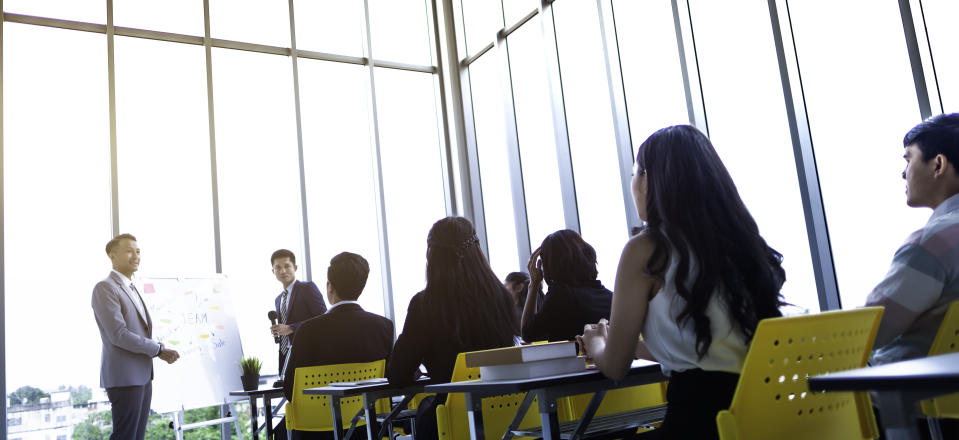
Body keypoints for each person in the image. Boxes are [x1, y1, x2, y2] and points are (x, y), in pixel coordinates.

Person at [579, 125, 786, 440]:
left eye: (635, 173)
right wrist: (631, 344)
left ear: (649, 181)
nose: (633, 183)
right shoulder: (743, 245)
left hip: (697, 422)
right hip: (765, 420)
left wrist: (596, 342)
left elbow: (615, 367)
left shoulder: (646, 249)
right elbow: (707, 348)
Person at [387, 216, 518, 440]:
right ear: (477, 251)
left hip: (452, 423)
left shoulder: (425, 304)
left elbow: (396, 374)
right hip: (511, 418)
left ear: (432, 256)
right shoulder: (503, 298)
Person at [867, 112, 959, 365]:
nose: (903, 174)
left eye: (909, 160)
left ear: (938, 165)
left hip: (901, 396)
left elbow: (866, 333)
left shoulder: (934, 242)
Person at [278, 252, 394, 440]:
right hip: (365, 429)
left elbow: (290, 390)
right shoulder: (383, 327)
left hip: (316, 432)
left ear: (329, 287)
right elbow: (390, 378)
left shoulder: (308, 330)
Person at [92, 233, 180, 440]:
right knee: (126, 436)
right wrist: (157, 349)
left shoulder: (131, 287)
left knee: (136, 436)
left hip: (141, 375)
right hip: (124, 378)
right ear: (112, 256)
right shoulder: (105, 288)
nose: (136, 256)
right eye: (129, 251)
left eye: (138, 251)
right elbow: (118, 334)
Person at [521, 230, 613, 342]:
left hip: (573, 360)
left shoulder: (561, 294)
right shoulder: (610, 297)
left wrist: (533, 285)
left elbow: (528, 334)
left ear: (549, 265)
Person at [270, 249, 327, 371]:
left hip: (309, 356)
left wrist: (291, 328)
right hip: (286, 358)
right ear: (273, 271)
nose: (283, 271)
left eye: (287, 266)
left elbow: (323, 319)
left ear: (295, 267)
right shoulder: (278, 299)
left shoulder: (307, 288)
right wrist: (279, 331)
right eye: (278, 268)